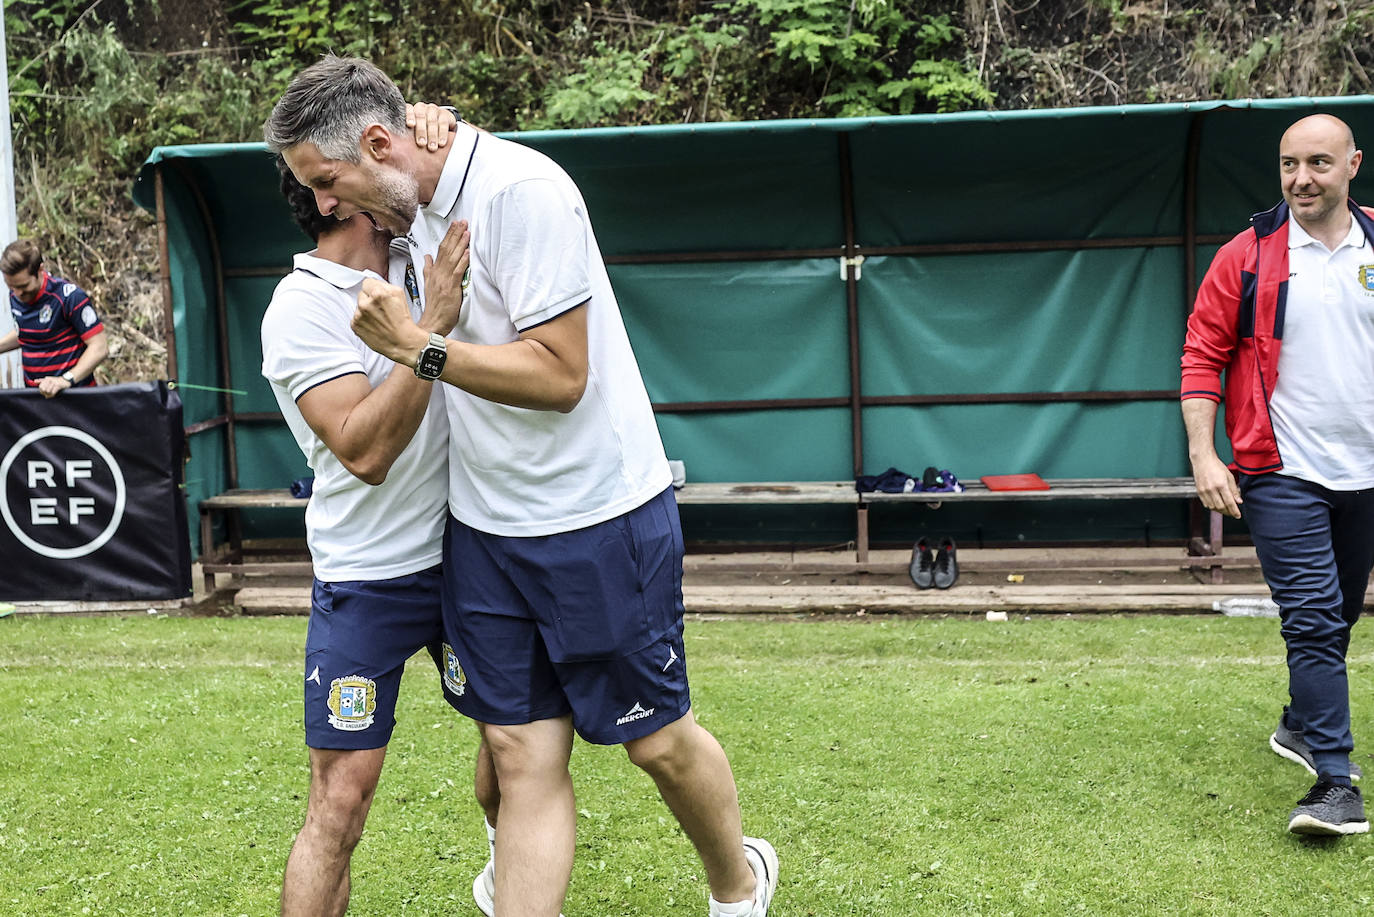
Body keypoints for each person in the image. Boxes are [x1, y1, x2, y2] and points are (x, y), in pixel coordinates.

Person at [266, 56, 777, 917]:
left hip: (597, 515)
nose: (323, 204)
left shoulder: (523, 193)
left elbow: (561, 376)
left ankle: (738, 883)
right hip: (483, 533)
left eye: (327, 181)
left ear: (380, 145)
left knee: (655, 742)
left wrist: (420, 346)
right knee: (519, 756)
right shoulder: (408, 208)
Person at [262, 157, 502, 917]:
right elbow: (365, 452)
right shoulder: (300, 306)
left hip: (472, 555)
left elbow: (445, 159)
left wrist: (432, 120)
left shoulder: (418, 250)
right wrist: (431, 329)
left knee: (519, 745)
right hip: (368, 576)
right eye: (376, 171)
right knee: (340, 802)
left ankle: (509, 867)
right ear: (340, 199)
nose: (397, 178)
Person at [1181, 113, 1374, 837]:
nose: (1302, 178)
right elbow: (1202, 353)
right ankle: (1334, 782)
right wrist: (1204, 454)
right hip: (1280, 468)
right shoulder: (1247, 255)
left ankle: (1299, 721)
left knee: (1339, 612)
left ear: (1353, 164)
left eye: (1319, 163)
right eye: (1290, 164)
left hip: (1366, 473)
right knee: (1314, 617)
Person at [1, 238, 109, 397]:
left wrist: (65, 380)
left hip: (75, 397)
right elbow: (27, 333)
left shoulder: (69, 297)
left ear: (40, 270)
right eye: (11, 286)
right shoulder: (16, 296)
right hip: (35, 399)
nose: (17, 293)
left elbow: (99, 347)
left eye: (23, 286)